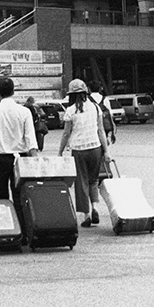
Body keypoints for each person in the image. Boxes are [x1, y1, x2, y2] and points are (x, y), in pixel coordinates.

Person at [0, 77, 38, 232]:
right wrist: (35, 162)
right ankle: (25, 232)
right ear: (13, 91)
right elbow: (31, 140)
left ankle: (7, 229)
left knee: (2, 197)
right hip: (21, 160)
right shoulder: (25, 111)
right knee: (20, 196)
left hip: (0, 159)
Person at [58, 78, 109, 228]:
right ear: (85, 92)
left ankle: (86, 215)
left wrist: (60, 152)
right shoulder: (95, 107)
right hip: (96, 148)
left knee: (81, 183)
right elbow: (101, 131)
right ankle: (95, 208)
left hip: (79, 151)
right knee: (93, 181)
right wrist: (106, 151)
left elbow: (66, 134)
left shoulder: (70, 110)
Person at [89, 81, 116, 145]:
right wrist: (113, 126)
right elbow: (110, 113)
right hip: (104, 125)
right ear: (99, 89)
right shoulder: (105, 99)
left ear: (89, 89)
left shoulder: (88, 100)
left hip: (92, 125)